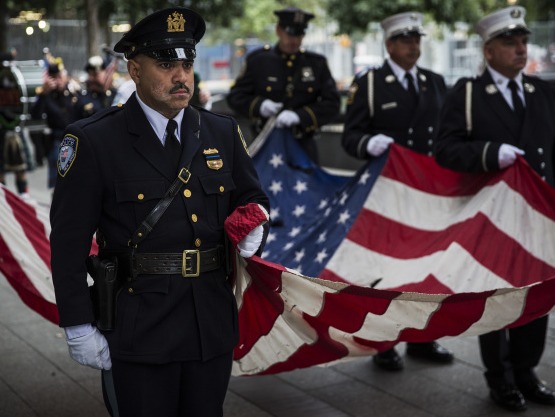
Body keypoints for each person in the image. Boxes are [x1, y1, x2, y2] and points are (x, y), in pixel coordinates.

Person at [49, 7, 270, 417]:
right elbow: (67, 242)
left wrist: (256, 221)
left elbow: (252, 196)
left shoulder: (220, 131)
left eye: (187, 63)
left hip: (210, 321)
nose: (181, 75)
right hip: (140, 325)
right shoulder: (94, 141)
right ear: (134, 69)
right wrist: (77, 323)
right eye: (166, 64)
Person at [434, 6, 555, 412]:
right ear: (489, 51)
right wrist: (489, 152)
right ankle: (499, 378)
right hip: (494, 217)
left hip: (536, 216)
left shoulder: (542, 92)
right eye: (510, 43)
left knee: (536, 296)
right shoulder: (467, 94)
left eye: (523, 42)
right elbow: (445, 149)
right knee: (499, 297)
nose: (521, 50)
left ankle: (526, 372)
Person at [341, 11, 454, 372]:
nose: (414, 47)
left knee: (424, 268)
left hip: (425, 193)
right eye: (406, 40)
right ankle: (384, 341)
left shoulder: (435, 82)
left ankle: (421, 338)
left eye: (417, 40)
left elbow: (448, 135)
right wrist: (368, 142)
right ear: (390, 45)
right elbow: (350, 137)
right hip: (387, 192)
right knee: (386, 271)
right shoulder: (371, 83)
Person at [226, 6, 340, 162]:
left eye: (299, 35)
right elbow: (235, 96)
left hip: (303, 145)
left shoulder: (316, 63)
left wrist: (300, 116)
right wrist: (260, 105)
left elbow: (333, 103)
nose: (294, 40)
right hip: (265, 144)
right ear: (278, 30)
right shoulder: (258, 60)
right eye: (290, 34)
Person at [31, 58, 78, 190]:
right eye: (53, 78)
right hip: (57, 140)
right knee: (59, 182)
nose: (57, 81)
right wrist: (43, 94)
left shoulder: (70, 92)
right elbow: (36, 115)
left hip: (76, 138)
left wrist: (65, 89)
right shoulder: (46, 96)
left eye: (59, 77)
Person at [73, 55, 116, 119]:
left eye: (95, 75)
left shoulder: (116, 95)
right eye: (89, 75)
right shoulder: (82, 98)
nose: (91, 79)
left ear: (107, 74)